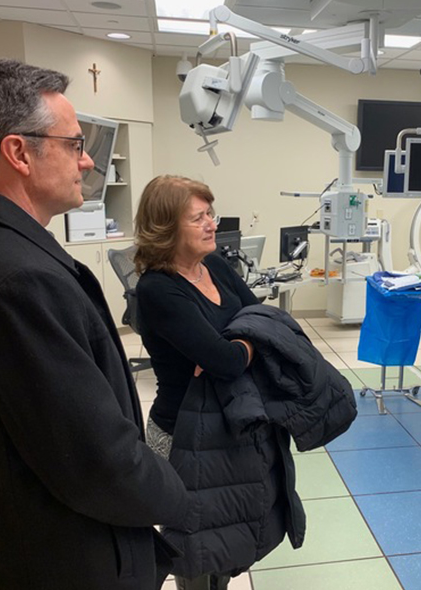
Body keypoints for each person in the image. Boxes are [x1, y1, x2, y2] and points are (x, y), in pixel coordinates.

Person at [0, 60, 193, 590]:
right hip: (62, 560)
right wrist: (180, 495)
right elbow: (97, 460)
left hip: (9, 548)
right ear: (18, 153)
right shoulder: (15, 280)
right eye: (74, 144)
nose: (86, 161)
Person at [132, 175, 299, 590]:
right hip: (183, 435)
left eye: (211, 214)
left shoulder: (217, 267)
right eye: (198, 218)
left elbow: (268, 321)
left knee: (229, 540)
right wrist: (242, 345)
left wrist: (240, 345)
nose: (211, 224)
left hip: (229, 426)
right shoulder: (157, 289)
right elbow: (225, 361)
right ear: (166, 228)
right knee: (197, 554)